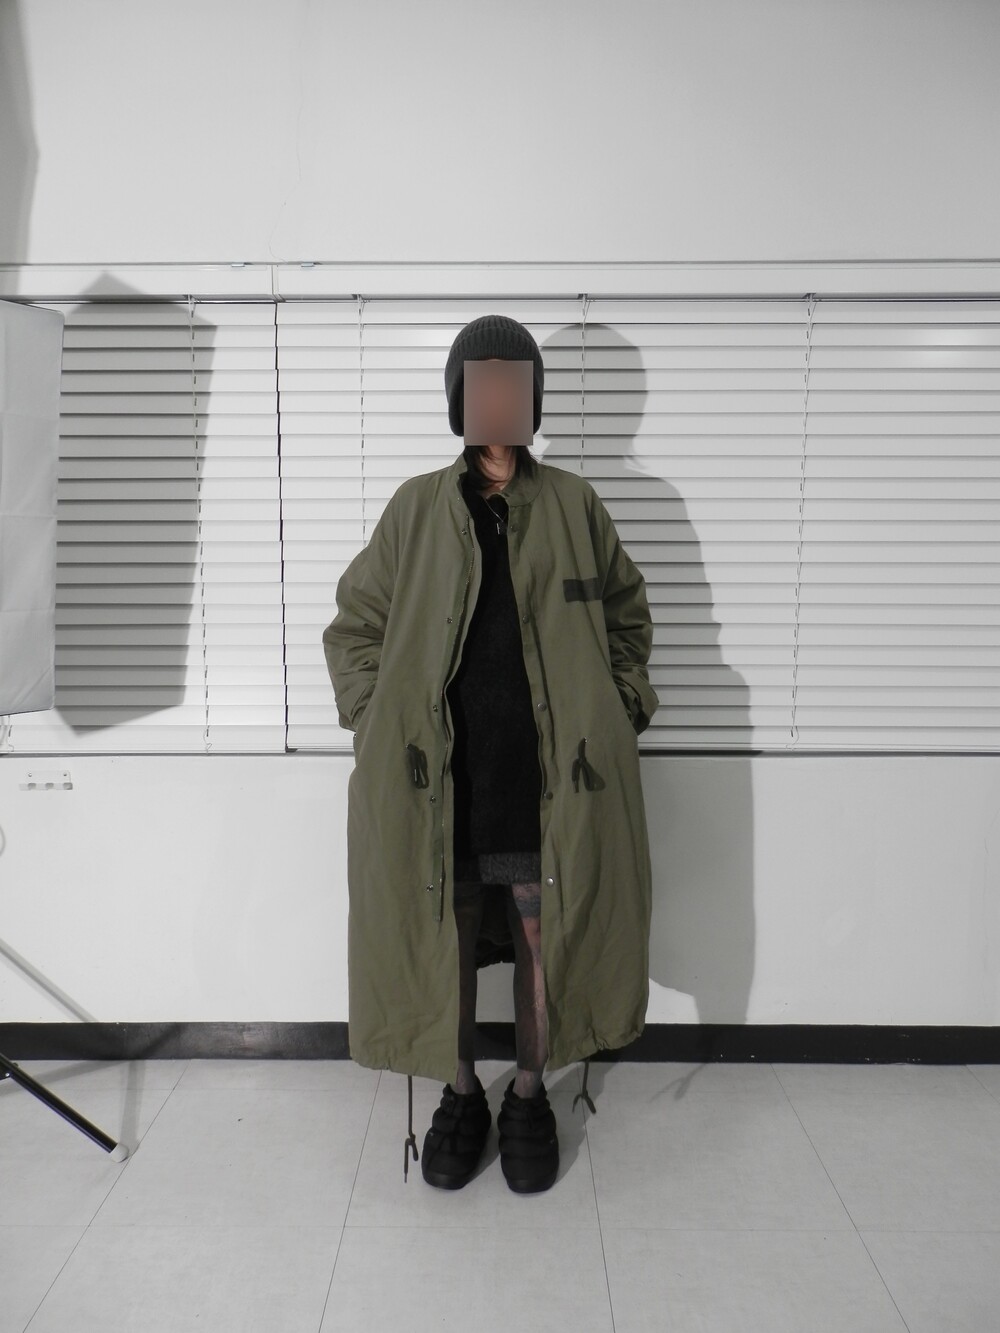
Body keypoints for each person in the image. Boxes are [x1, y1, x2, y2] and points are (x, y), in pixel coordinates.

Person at [322, 314, 659, 1194]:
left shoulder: (576, 506)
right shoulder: (415, 509)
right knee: (453, 934)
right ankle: (462, 1090)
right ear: (459, 400)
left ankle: (529, 1095)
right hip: (444, 779)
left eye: (516, 383)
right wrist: (372, 717)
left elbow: (628, 620)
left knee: (546, 932)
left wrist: (621, 708)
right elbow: (354, 627)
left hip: (550, 780)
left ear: (534, 398)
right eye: (483, 384)